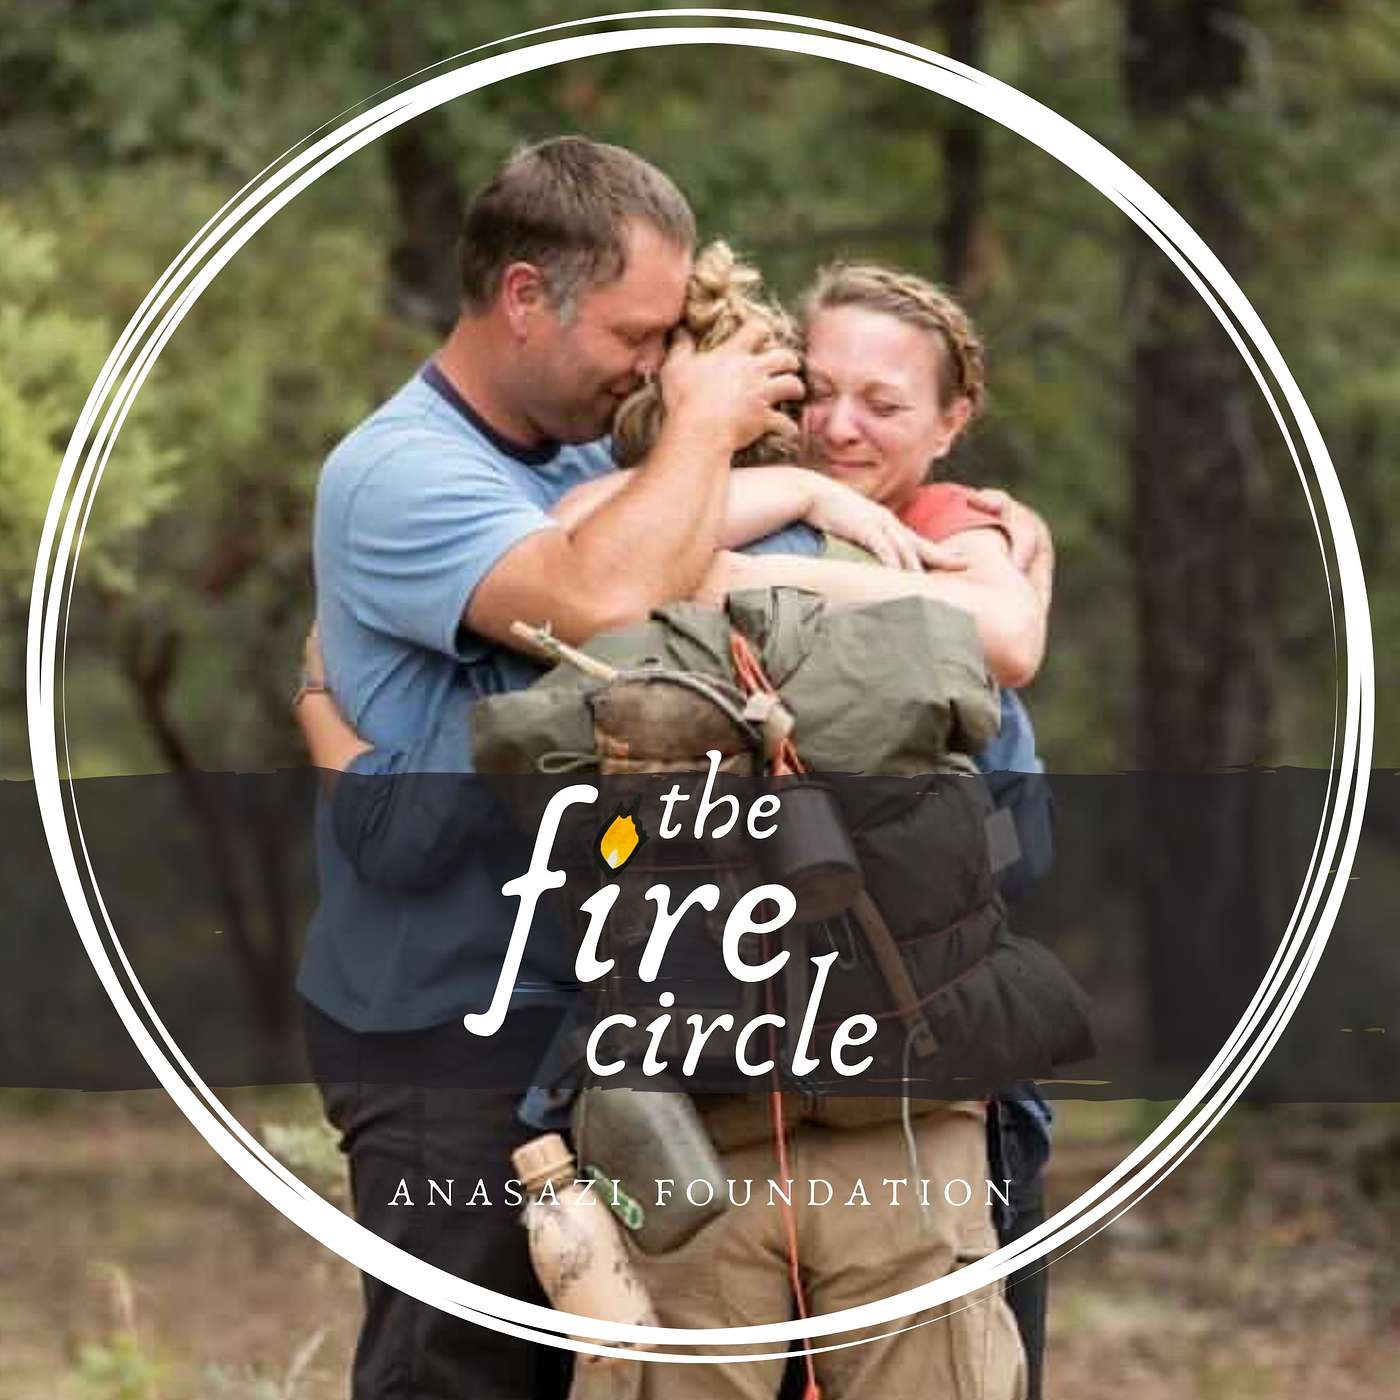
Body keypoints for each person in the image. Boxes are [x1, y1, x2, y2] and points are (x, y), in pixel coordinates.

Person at [298, 136, 1048, 1400]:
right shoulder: (405, 469)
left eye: (668, 342)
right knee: (465, 1377)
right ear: (527, 295)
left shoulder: (601, 456)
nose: (653, 367)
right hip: (451, 1026)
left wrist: (923, 532)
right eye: (635, 336)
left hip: (630, 1045)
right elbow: (596, 593)